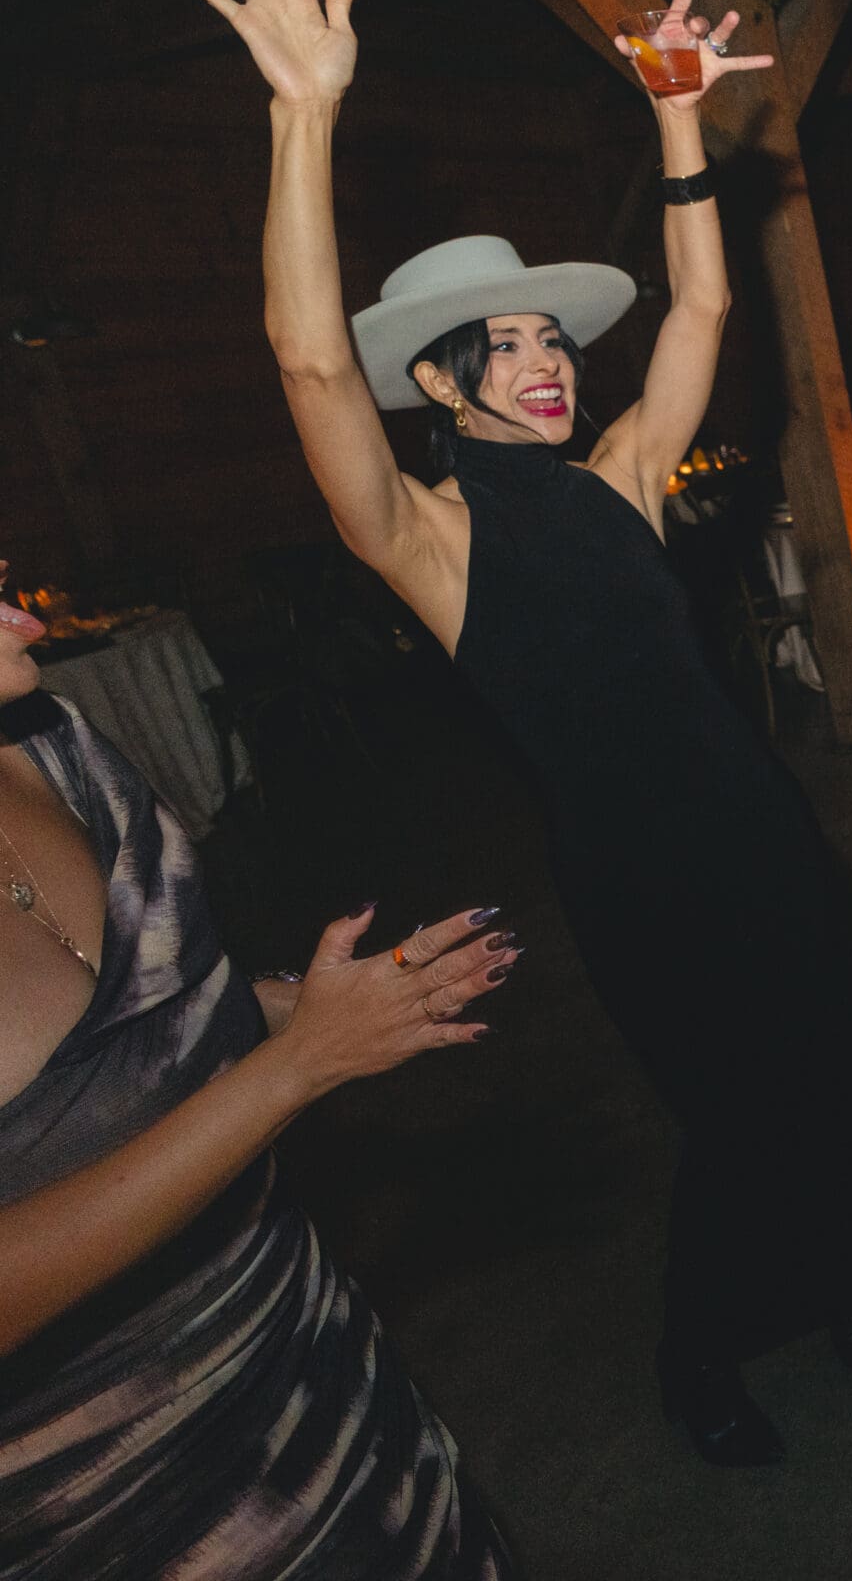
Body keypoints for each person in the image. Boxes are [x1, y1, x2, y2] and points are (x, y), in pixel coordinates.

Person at [175, 0, 852, 1467]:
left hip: (764, 832)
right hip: (645, 880)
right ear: (440, 387)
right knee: (735, 1117)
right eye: (502, 349)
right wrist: (305, 113)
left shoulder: (620, 478)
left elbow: (703, 312)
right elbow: (312, 367)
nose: (546, 362)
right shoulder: (433, 541)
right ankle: (703, 1356)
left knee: (842, 1066)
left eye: (551, 341)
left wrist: (674, 119)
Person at [0, 563, 517, 1575]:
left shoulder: (51, 743)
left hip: (321, 1376)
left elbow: (165, 1017)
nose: (19, 609)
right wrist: (297, 1070)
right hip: (127, 1510)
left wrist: (343, 1005)